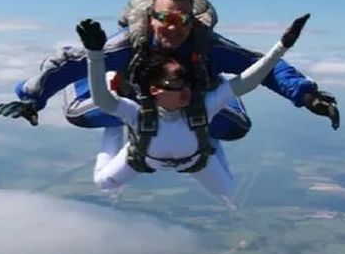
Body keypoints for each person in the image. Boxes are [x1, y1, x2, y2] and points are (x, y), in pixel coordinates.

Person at [0, 0, 340, 137]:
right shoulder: (129, 45)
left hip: (192, 96)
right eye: (163, 19)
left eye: (181, 20)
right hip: (131, 96)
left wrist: (308, 95)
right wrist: (31, 99)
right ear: (150, 19)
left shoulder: (209, 46)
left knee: (235, 129)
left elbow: (264, 67)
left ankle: (208, 91)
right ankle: (121, 106)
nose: (171, 27)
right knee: (77, 114)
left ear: (192, 21)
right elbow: (68, 62)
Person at [77, 14, 310, 201]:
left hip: (193, 159)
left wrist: (282, 46)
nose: (187, 90)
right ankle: (115, 128)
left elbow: (247, 81)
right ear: (155, 90)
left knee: (227, 191)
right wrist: (95, 55)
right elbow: (101, 99)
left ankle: (209, 138)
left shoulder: (201, 107)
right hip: (153, 159)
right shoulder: (136, 113)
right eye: (177, 84)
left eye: (186, 82)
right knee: (102, 182)